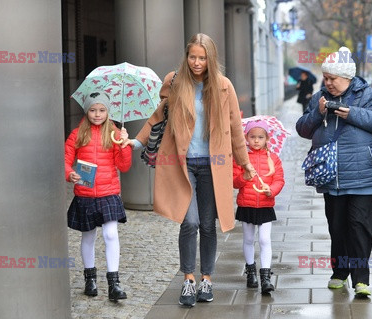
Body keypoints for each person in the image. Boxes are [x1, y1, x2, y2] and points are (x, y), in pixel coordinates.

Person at [125, 33, 256, 307]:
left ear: (211, 58)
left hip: (213, 165)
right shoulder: (174, 81)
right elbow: (158, 116)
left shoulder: (223, 86)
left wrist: (245, 163)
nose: (196, 62)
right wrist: (135, 141)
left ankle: (207, 277)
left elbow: (235, 128)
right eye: (192, 56)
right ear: (186, 56)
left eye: (202, 57)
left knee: (208, 225)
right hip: (182, 165)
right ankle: (188, 279)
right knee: (190, 222)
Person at [296, 47, 372, 297]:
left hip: (363, 175)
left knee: (359, 227)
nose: (327, 83)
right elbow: (302, 129)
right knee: (337, 226)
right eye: (326, 78)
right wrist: (318, 114)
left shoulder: (369, 95)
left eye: (333, 79)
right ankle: (339, 273)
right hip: (331, 175)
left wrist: (352, 114)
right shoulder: (318, 97)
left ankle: (361, 279)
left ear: (348, 78)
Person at [65, 91, 132, 301]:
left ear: (108, 111)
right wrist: (69, 174)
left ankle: (114, 283)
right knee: (88, 236)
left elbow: (124, 166)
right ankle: (90, 279)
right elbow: (65, 160)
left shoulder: (114, 133)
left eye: (102, 110)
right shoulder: (77, 134)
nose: (97, 114)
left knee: (111, 234)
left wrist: (124, 145)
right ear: (87, 111)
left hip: (108, 192)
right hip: (85, 193)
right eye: (93, 110)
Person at [233, 120, 285, 294]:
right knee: (248, 239)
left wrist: (271, 190)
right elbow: (234, 181)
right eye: (252, 137)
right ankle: (251, 272)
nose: (256, 140)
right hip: (247, 204)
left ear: (267, 138)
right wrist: (245, 177)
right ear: (246, 138)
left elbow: (279, 179)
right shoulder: (241, 159)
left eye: (260, 137)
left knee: (264, 240)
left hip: (265, 205)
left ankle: (266, 276)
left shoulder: (274, 159)